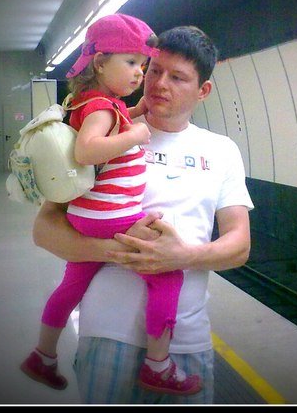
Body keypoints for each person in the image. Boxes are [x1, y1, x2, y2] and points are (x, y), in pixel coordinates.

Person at [31, 24, 253, 404]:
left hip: (187, 340)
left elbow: (239, 245)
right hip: (106, 334)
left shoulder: (221, 151)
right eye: (154, 70)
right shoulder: (107, 133)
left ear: (203, 91)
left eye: (177, 77)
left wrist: (182, 257)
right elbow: (44, 230)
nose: (159, 83)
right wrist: (122, 251)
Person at [20, 14, 201, 396]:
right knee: (168, 274)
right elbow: (88, 150)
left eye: (143, 65)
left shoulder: (94, 102)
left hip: (88, 215)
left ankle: (43, 355)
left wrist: (134, 115)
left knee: (72, 285)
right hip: (111, 214)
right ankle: (158, 365)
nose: (140, 73)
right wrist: (137, 134)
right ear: (100, 62)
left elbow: (107, 125)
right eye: (131, 62)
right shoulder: (102, 106)